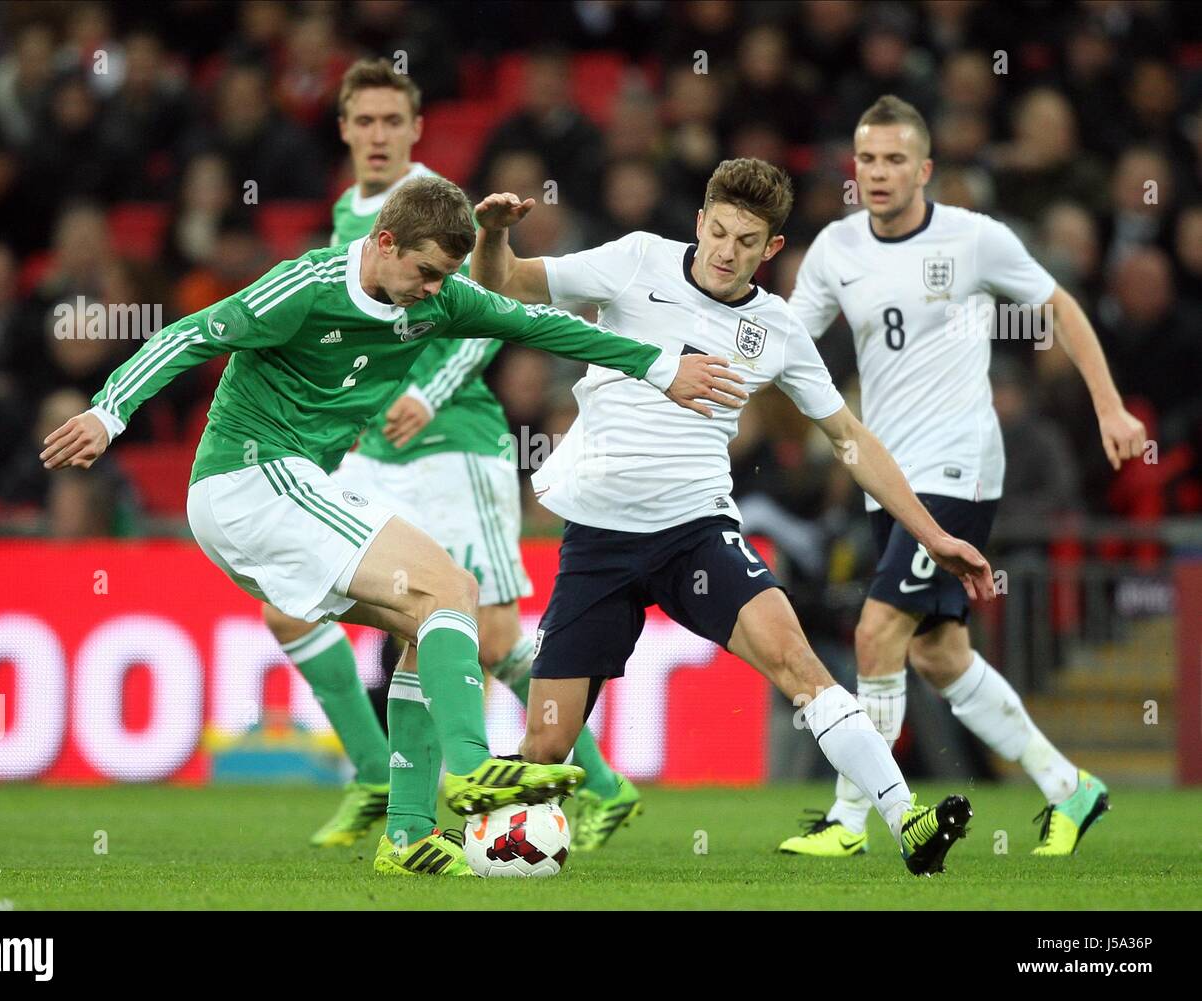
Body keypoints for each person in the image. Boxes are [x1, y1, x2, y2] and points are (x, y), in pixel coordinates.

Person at [40, 174, 740, 877]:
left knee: (428, 618)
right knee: (450, 588)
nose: (435, 290)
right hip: (247, 479)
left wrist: (657, 365)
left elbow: (539, 324)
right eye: (426, 272)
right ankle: (469, 769)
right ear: (382, 242)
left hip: (289, 487)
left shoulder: (438, 301)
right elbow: (191, 334)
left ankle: (406, 835)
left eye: (445, 278)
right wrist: (109, 411)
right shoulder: (304, 287)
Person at [471, 157, 995, 876]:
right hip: (597, 539)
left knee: (798, 661)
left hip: (696, 532)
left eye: (746, 241)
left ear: (770, 249)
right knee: (545, 749)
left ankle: (908, 820)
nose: (726, 250)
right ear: (699, 221)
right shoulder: (634, 262)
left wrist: (934, 534)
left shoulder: (776, 328)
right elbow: (502, 281)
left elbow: (850, 438)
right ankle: (492, 844)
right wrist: (493, 235)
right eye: (718, 231)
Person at [263, 58, 640, 855]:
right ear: (343, 129)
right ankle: (376, 775)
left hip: (452, 443)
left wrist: (426, 395)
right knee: (290, 602)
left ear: (416, 128)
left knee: (489, 634)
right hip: (373, 446)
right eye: (362, 122)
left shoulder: (438, 206)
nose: (376, 136)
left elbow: (484, 317)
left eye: (390, 122)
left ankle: (603, 783)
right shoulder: (345, 213)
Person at [783, 95, 1145, 857]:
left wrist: (1110, 408)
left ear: (925, 168)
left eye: (893, 160)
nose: (877, 173)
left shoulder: (975, 239)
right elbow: (785, 340)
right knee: (936, 651)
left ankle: (850, 821)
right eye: (866, 159)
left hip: (958, 468)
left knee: (877, 631)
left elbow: (1062, 308)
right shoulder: (836, 248)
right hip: (890, 476)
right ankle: (1068, 787)